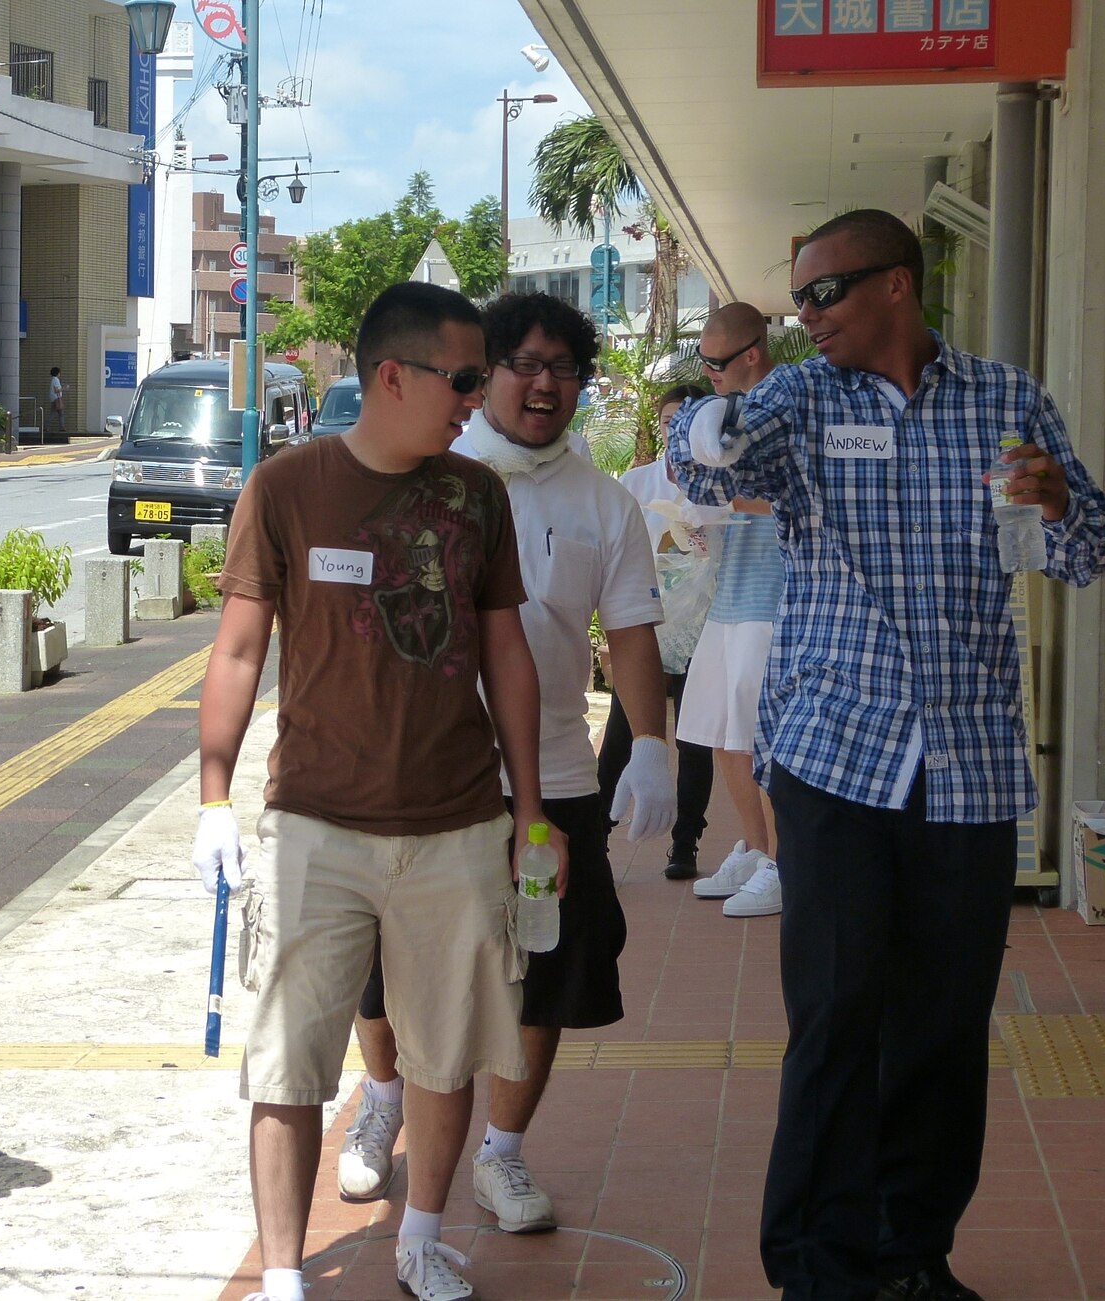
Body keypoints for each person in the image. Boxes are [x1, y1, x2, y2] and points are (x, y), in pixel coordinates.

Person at [670, 209, 1105, 1301]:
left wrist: (1057, 500)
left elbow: (1089, 546)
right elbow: (704, 472)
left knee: (941, 1027)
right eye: (797, 300)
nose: (806, 317)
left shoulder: (1002, 399)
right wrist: (712, 425)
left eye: (823, 294)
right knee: (833, 1015)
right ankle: (815, 1267)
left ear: (897, 288)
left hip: (965, 764)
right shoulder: (803, 399)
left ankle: (910, 1252)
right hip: (835, 753)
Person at [195, 280, 561, 1301]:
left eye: (480, 379)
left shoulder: (474, 494)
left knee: (447, 1050)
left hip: (454, 823)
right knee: (285, 1059)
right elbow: (235, 650)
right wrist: (212, 796)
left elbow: (504, 654)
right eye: (463, 378)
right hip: (313, 821)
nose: (476, 397)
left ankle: (421, 1239)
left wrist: (529, 808)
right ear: (388, 376)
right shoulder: (285, 486)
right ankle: (279, 1271)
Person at [340, 292, 676, 1244]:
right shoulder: (426, 473)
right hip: (416, 775)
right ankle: (382, 1099)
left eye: (563, 369)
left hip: (557, 776)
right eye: (524, 364)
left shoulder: (604, 504)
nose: (543, 384)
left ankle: (500, 1149)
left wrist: (651, 744)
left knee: (548, 973)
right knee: (381, 967)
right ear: (482, 374)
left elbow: (636, 634)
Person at [674, 304, 785, 917]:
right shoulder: (723, 414)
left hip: (774, 600)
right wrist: (702, 522)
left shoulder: (780, 410)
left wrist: (724, 500)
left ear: (753, 352)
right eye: (702, 360)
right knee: (722, 734)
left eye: (717, 362)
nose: (709, 373)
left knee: (757, 738)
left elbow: (792, 496)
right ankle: (754, 846)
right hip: (731, 592)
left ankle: (781, 864)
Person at [596, 383, 718, 878]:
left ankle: (685, 842)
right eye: (668, 423)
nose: (675, 432)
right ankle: (595, 837)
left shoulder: (720, 482)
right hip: (644, 626)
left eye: (685, 422)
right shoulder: (637, 481)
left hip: (701, 628)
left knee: (694, 738)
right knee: (624, 732)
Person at [47, 366, 65, 435]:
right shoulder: (56, 380)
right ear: (57, 373)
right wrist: (64, 388)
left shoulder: (53, 379)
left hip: (54, 399)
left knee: (54, 413)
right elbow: (56, 390)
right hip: (57, 399)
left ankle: (47, 427)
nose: (60, 374)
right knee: (60, 413)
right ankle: (61, 427)